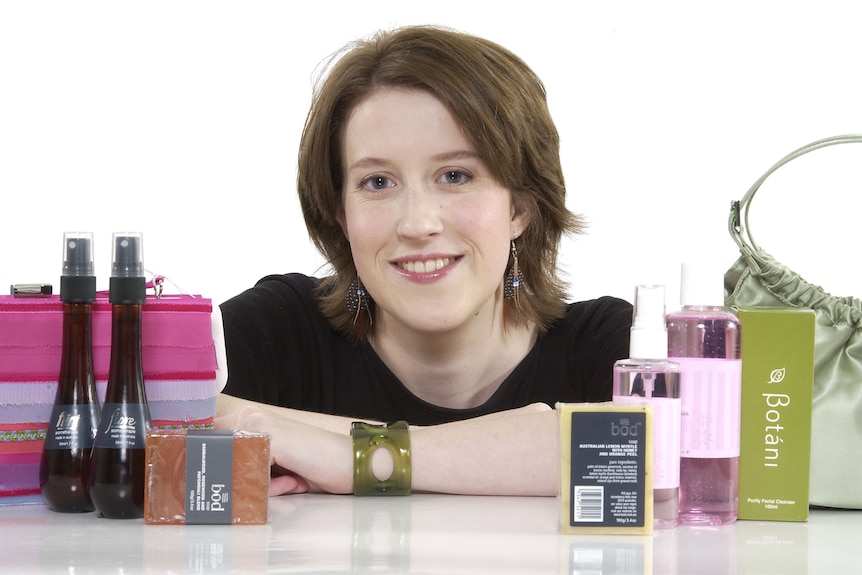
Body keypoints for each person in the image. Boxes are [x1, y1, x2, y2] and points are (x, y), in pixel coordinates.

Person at [215, 25, 633, 497]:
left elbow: (659, 461)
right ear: (342, 215)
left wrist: (354, 457)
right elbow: (130, 415)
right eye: (377, 182)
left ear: (519, 208)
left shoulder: (610, 344)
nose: (417, 223)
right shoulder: (279, 329)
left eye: (454, 175)